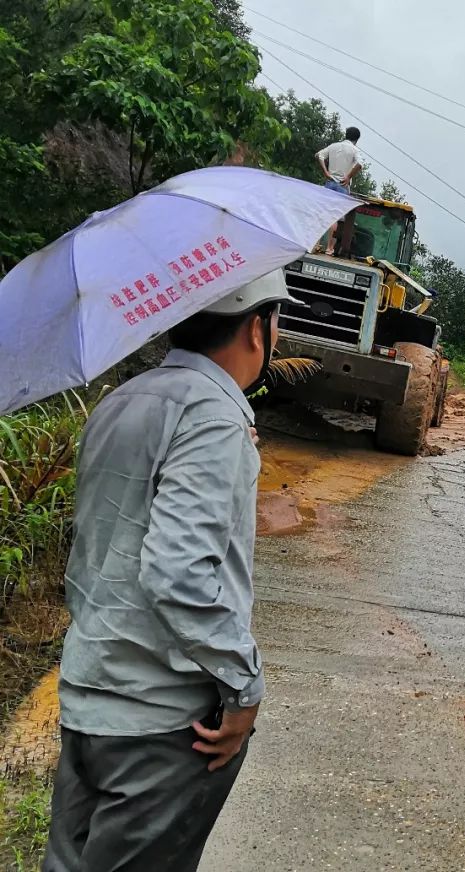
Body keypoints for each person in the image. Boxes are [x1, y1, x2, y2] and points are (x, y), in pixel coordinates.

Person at [44, 270, 300, 872]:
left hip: (89, 699)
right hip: (162, 727)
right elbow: (177, 573)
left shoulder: (121, 401)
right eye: (277, 319)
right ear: (257, 329)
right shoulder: (213, 418)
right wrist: (244, 686)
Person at [316, 126, 364, 256]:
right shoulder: (354, 150)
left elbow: (319, 155)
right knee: (335, 217)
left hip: (329, 182)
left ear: (346, 135)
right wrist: (348, 176)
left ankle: (316, 244)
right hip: (342, 186)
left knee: (323, 214)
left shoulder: (334, 146)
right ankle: (330, 248)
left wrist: (326, 172)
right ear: (357, 139)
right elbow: (360, 164)